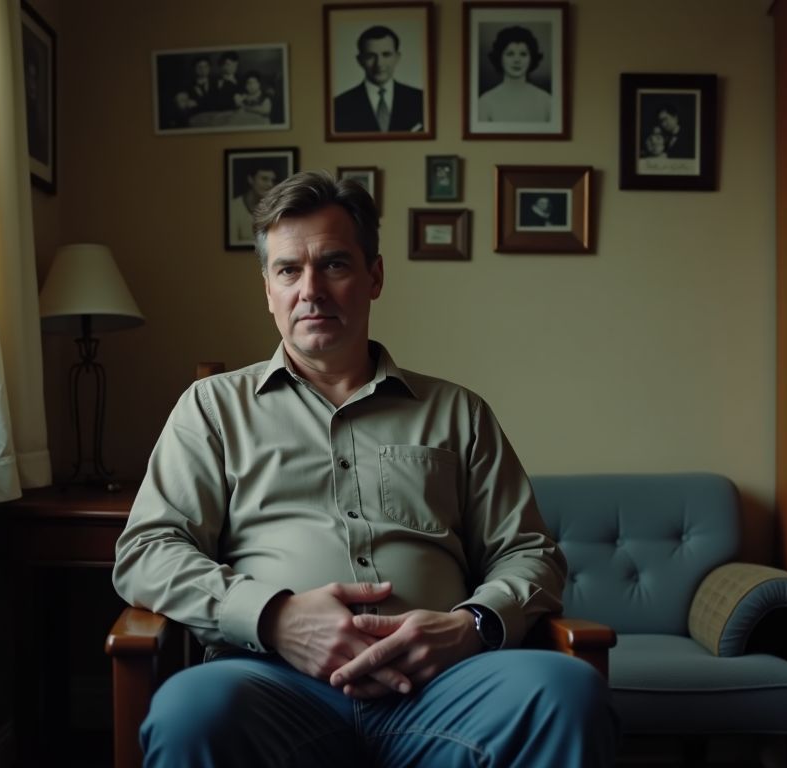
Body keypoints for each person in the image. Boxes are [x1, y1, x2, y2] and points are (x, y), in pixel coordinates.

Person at [113, 171, 615, 767]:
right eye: (288, 270)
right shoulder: (213, 409)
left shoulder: (458, 413)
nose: (311, 290)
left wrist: (470, 626)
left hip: (444, 690)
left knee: (565, 692)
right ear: (267, 289)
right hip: (270, 681)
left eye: (334, 264)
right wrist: (274, 618)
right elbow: (147, 550)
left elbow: (531, 553)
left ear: (375, 276)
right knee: (189, 711)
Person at [333, 26, 425, 133]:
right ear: (360, 60)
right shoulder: (339, 106)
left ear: (397, 57)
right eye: (370, 56)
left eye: (386, 54)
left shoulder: (420, 100)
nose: (379, 64)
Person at [476, 25, 551, 123]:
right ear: (499, 57)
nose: (517, 60)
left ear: (531, 58)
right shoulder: (485, 102)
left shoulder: (546, 101)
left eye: (523, 54)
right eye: (510, 54)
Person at [228, 163, 279, 244]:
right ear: (250, 179)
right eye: (264, 179)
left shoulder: (276, 208)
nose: (270, 184)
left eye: (272, 180)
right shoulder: (234, 207)